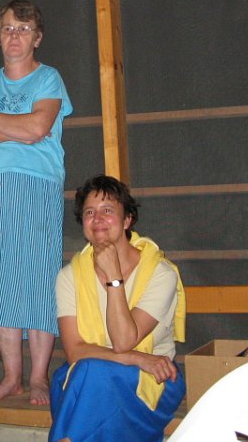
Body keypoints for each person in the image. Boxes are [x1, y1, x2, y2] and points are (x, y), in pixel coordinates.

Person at [0, 0, 72, 405]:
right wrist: (12, 129)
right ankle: (11, 377)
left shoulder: (48, 79)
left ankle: (39, 377)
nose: (15, 36)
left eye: (23, 29)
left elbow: (38, 128)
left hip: (36, 183)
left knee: (38, 276)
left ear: (37, 38)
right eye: (8, 28)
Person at [49, 175, 186, 442]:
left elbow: (123, 341)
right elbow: (75, 350)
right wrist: (137, 358)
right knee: (87, 373)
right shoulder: (69, 277)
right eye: (89, 212)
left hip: (151, 379)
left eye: (108, 210)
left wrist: (114, 278)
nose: (97, 219)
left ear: (127, 220)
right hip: (95, 374)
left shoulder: (160, 274)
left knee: (92, 375)